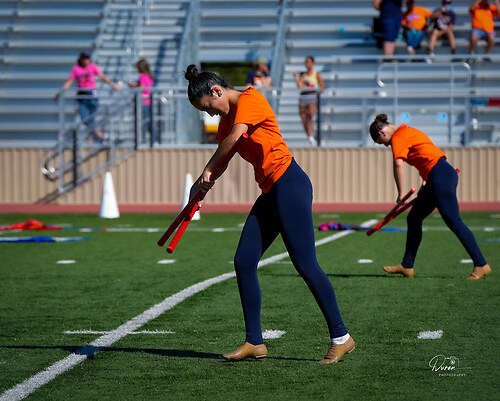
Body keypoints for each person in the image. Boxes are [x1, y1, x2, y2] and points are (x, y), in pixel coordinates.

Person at [185, 64, 354, 364]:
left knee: (305, 263)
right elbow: (224, 156)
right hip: (271, 191)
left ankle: (341, 337)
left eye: (208, 107)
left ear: (217, 91)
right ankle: (255, 341)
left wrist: (207, 170)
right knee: (243, 261)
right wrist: (199, 190)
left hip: (289, 184)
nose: (210, 114)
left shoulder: (251, 99)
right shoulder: (226, 121)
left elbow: (234, 139)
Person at [369, 114, 491, 280]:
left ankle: (481, 264)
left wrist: (400, 193)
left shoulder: (397, 137)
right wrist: (425, 181)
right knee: (414, 218)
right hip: (438, 175)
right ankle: (407, 265)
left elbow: (398, 163)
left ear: (382, 133)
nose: (386, 145)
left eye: (382, 142)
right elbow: (427, 155)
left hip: (441, 176)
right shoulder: (409, 131)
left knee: (453, 221)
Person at [55, 51, 120, 143]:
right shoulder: (76, 68)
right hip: (82, 94)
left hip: (92, 93)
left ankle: (90, 139)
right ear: (81, 59)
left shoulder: (92, 66)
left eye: (87, 58)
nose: (86, 60)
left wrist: (113, 86)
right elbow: (70, 81)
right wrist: (60, 92)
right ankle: (100, 135)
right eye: (84, 59)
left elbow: (102, 77)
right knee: (84, 118)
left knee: (92, 118)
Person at [291, 56, 325, 146]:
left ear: (313, 63)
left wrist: (313, 87)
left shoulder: (316, 74)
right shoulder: (303, 75)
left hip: (312, 96)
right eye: (306, 62)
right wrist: (295, 77)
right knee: (303, 118)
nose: (307, 64)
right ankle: (310, 136)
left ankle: (311, 136)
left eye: (309, 62)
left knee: (309, 116)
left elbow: (322, 88)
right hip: (303, 96)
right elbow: (300, 86)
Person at [128, 59, 157, 145]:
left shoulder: (143, 76)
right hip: (147, 101)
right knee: (147, 122)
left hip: (143, 102)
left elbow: (141, 88)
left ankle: (153, 139)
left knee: (146, 122)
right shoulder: (149, 76)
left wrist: (132, 86)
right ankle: (153, 139)